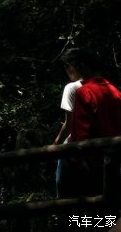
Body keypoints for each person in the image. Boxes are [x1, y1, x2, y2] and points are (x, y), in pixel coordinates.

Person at [59, 47, 121, 198]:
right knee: (108, 208)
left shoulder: (84, 92)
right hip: (113, 160)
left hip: (91, 161)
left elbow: (81, 134)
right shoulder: (113, 90)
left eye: (68, 66)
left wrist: (79, 163)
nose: (67, 70)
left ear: (80, 66)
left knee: (73, 207)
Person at [53, 55, 82, 196]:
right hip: (97, 148)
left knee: (64, 190)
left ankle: (67, 218)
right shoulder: (104, 87)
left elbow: (69, 124)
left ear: (72, 66)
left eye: (66, 66)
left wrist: (56, 143)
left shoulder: (71, 88)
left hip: (72, 147)